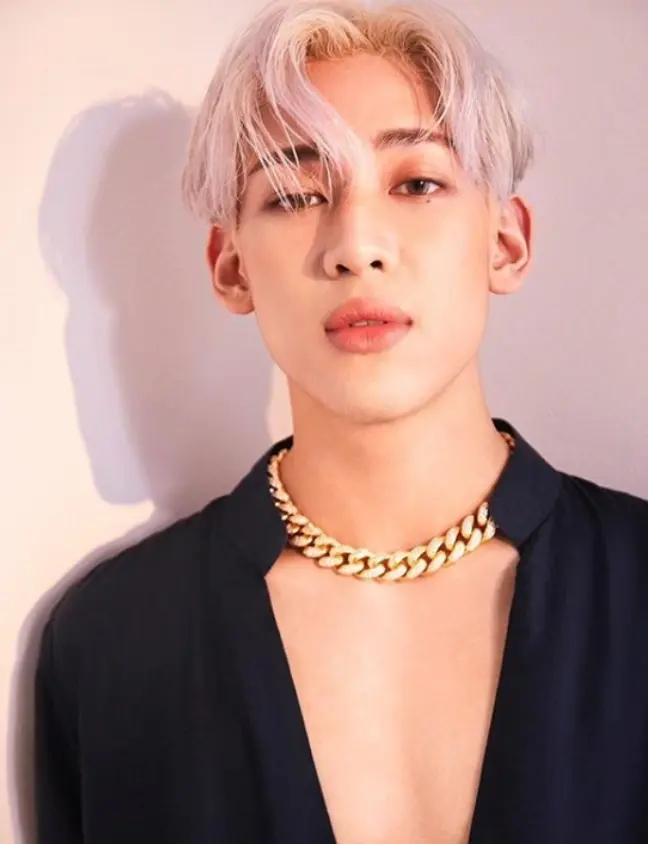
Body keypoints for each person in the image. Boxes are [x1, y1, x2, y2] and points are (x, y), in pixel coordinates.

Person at [34, 0, 648, 842]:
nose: (356, 244)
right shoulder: (113, 643)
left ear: (505, 241)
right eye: (294, 194)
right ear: (231, 266)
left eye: (417, 183)